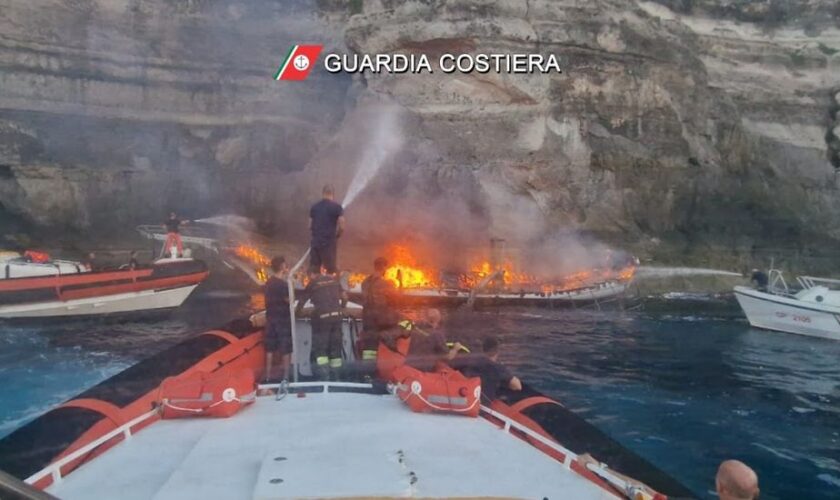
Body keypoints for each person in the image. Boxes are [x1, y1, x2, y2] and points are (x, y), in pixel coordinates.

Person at [296, 268, 347, 380]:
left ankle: (324, 377)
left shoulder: (313, 283)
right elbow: (344, 297)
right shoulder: (334, 280)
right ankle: (336, 378)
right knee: (335, 350)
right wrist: (342, 308)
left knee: (321, 350)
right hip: (337, 318)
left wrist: (297, 313)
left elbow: (302, 301)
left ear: (311, 274)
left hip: (322, 320)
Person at [452, 336, 521, 402]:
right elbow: (518, 386)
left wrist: (455, 349)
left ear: (483, 349)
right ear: (497, 351)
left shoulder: (469, 362)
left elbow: (451, 362)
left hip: (468, 400)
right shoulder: (498, 368)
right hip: (484, 406)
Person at [360, 256, 399, 360]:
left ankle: (367, 367)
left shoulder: (365, 282)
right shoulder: (385, 283)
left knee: (369, 346)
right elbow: (395, 299)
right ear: (384, 267)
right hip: (379, 319)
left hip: (366, 318)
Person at [263, 256, 292, 383]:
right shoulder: (282, 284)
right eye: (285, 265)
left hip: (270, 318)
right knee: (285, 348)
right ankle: (286, 377)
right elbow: (289, 300)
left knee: (269, 349)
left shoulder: (268, 282)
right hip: (282, 319)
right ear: (282, 267)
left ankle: (268, 376)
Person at [309, 184, 345, 274]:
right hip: (329, 244)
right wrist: (337, 235)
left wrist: (317, 235)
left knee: (314, 270)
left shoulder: (314, 207)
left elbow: (309, 225)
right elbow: (342, 226)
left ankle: (315, 282)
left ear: (323, 193)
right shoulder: (337, 207)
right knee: (331, 271)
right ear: (332, 194)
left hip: (316, 243)